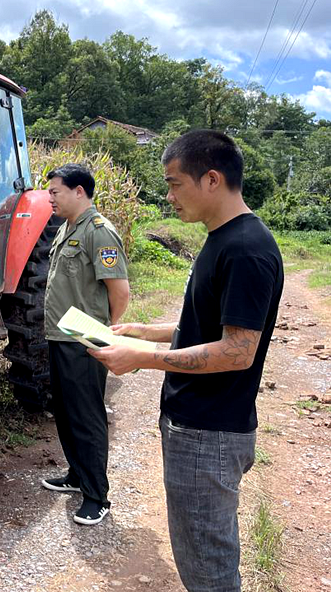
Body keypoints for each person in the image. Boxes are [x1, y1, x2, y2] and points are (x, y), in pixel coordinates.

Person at [90, 130, 283, 591]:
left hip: (209, 434)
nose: (169, 195)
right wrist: (143, 331)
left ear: (212, 179)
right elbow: (206, 326)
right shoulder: (221, 240)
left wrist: (144, 358)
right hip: (197, 427)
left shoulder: (245, 250)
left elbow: (238, 350)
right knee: (201, 555)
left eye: (175, 183)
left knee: (208, 570)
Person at [40, 163, 130, 526]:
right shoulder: (67, 230)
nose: (50, 199)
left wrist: (99, 330)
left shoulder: (99, 232)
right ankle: (77, 475)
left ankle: (97, 495)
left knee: (87, 415)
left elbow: (119, 292)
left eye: (55, 192)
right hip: (60, 335)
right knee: (65, 411)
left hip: (84, 337)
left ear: (79, 192)